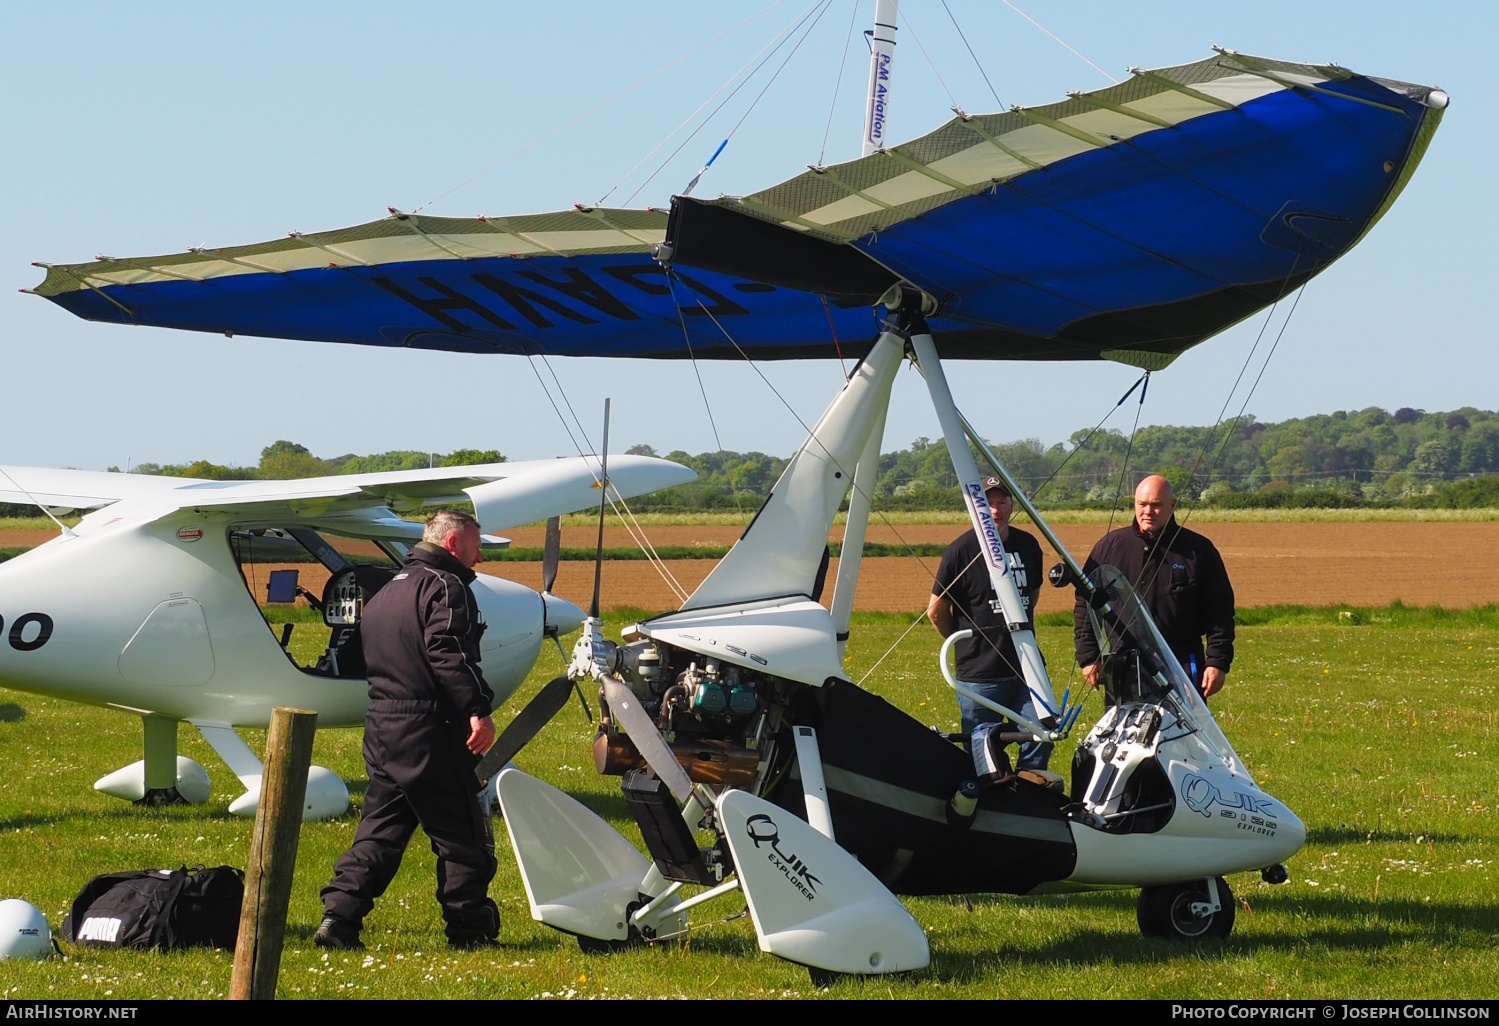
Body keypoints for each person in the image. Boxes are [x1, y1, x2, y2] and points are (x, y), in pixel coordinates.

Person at [315, 509, 500, 951]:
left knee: (379, 832)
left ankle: (337, 921)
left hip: (383, 727)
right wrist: (477, 708)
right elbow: (448, 651)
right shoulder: (445, 585)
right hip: (430, 729)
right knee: (462, 837)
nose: (480, 554)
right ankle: (469, 930)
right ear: (453, 543)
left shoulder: (384, 592)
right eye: (476, 543)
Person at [928, 476, 1050, 777]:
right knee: (982, 751)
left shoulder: (1028, 545)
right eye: (987, 503)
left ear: (1011, 505)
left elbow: (1031, 595)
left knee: (1043, 734)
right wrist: (963, 640)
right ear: (974, 508)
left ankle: (1028, 794)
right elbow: (936, 609)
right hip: (981, 674)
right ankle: (987, 800)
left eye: (1001, 502)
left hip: (1027, 668)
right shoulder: (961, 551)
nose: (995, 510)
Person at [1074, 475, 1235, 701]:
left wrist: (1218, 661)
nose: (1148, 511)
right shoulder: (1110, 547)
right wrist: (1089, 657)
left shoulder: (1199, 551)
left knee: (1182, 735)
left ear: (1173, 505)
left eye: (1157, 505)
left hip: (1181, 664)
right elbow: (1085, 603)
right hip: (1124, 664)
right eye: (1142, 504)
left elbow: (1220, 611)